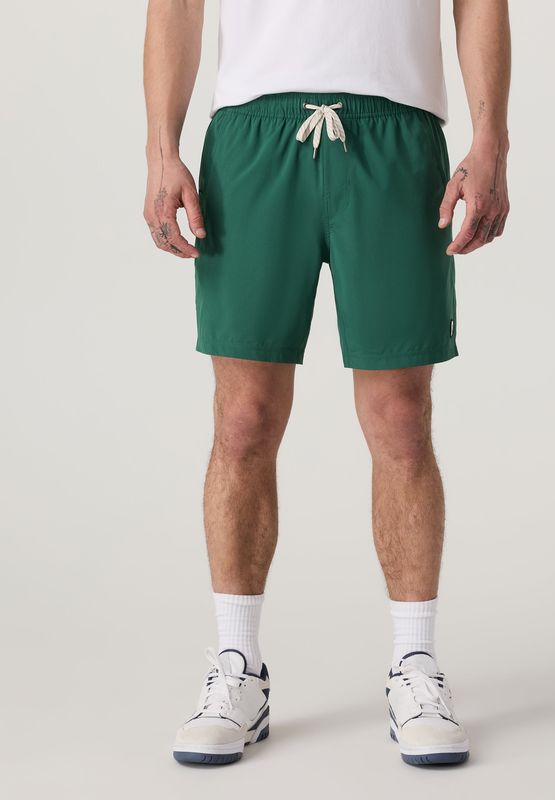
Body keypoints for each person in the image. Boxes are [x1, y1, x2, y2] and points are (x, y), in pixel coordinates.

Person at [143, 0, 510, 767]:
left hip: (396, 131)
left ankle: (415, 665)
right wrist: (161, 149)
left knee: (400, 416)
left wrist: (491, 141)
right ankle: (238, 667)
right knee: (242, 418)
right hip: (252, 134)